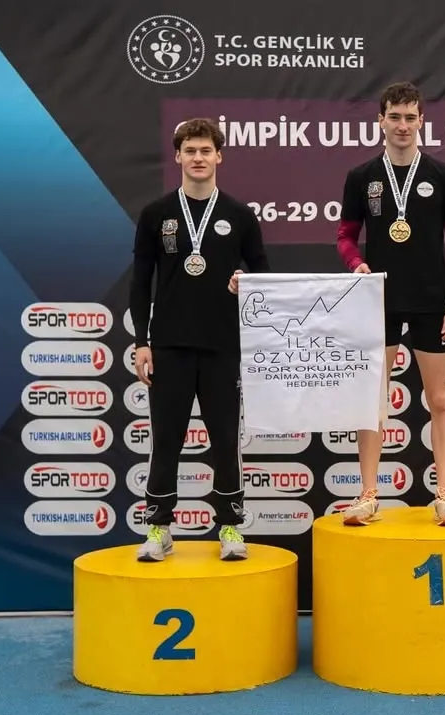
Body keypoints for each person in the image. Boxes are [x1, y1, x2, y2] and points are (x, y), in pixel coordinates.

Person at [129, 117, 271, 562]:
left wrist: (246, 282)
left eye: (205, 150)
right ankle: (158, 528)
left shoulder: (239, 215)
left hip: (223, 345)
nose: (198, 158)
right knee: (166, 440)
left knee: (225, 439)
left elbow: (264, 273)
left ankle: (229, 526)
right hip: (168, 345)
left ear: (219, 156)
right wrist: (141, 341)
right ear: (177, 156)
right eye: (190, 150)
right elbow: (140, 283)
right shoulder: (156, 214)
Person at [335, 81, 445, 526]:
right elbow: (345, 237)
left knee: (440, 398)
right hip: (379, 301)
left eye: (410, 117)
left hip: (431, 301)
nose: (402, 125)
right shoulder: (361, 177)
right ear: (380, 121)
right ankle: (368, 494)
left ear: (421, 121)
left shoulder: (444, 176)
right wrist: (355, 263)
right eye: (394, 117)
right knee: (373, 401)